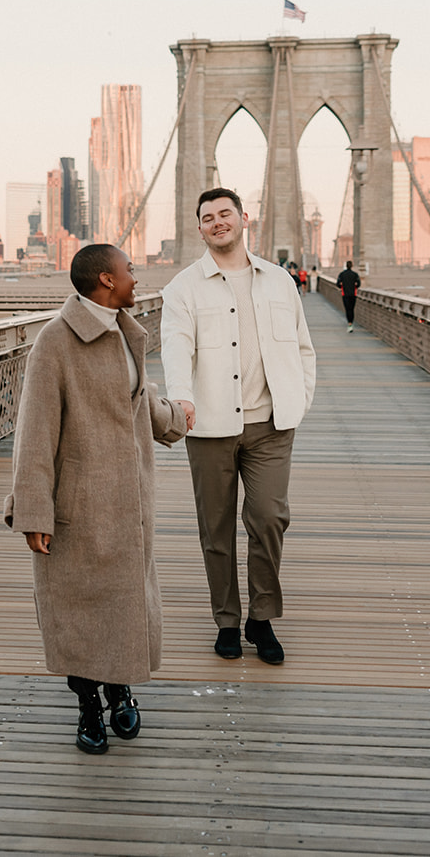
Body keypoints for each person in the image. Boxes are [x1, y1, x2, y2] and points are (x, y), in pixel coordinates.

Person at [5, 244, 190, 754]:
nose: (137, 275)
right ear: (106, 280)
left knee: (124, 599)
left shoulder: (126, 332)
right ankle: (88, 703)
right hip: (79, 501)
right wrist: (33, 511)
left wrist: (179, 418)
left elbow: (139, 399)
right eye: (130, 269)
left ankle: (120, 689)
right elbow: (35, 433)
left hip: (129, 500)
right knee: (82, 606)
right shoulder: (55, 342)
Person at [160, 188, 316, 665]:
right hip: (210, 425)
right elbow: (175, 349)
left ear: (244, 218)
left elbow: (303, 348)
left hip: (271, 424)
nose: (217, 222)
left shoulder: (279, 281)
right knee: (217, 528)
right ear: (201, 228)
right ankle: (227, 619)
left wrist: (299, 399)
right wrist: (181, 399)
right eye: (208, 217)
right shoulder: (182, 288)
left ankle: (261, 617)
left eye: (225, 213)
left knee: (270, 519)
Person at [337, 260, 362, 332]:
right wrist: (354, 286)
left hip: (345, 294)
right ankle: (351, 323)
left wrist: (342, 285)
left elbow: (338, 284)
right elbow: (359, 284)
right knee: (352, 309)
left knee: (347, 309)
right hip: (353, 294)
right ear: (352, 266)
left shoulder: (342, 274)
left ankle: (349, 324)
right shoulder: (355, 274)